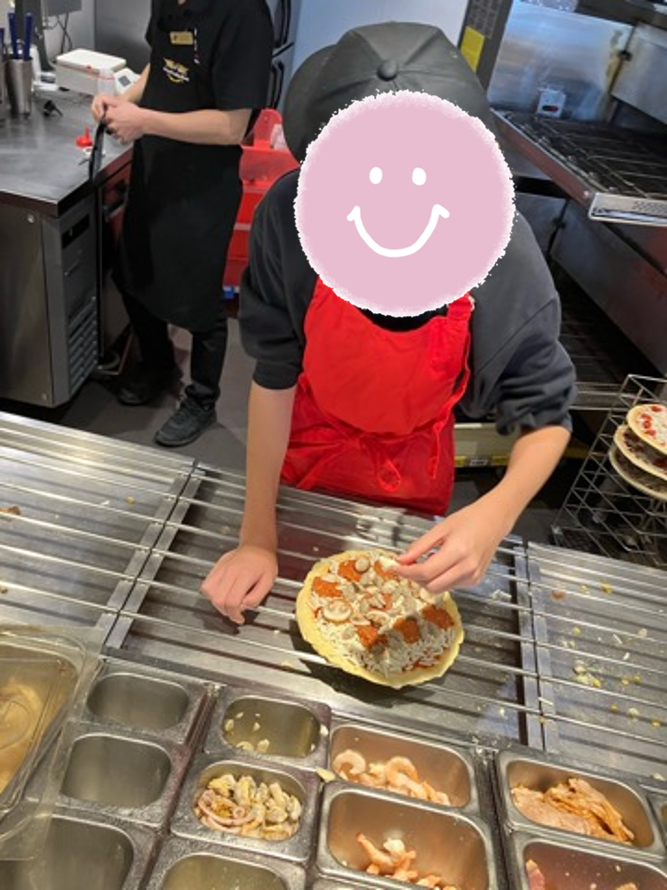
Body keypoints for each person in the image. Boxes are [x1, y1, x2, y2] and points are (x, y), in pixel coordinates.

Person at [201, 22, 577, 623]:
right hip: (307, 446)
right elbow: (274, 374)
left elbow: (546, 409)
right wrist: (257, 537)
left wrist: (495, 514)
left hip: (416, 470)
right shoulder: (290, 218)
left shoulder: (497, 249)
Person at [91, 0, 273, 448]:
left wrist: (144, 120)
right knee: (133, 276)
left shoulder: (244, 15)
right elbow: (161, 62)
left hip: (202, 186)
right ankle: (157, 364)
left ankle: (202, 399)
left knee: (198, 301)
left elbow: (232, 127)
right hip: (156, 167)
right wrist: (124, 100)